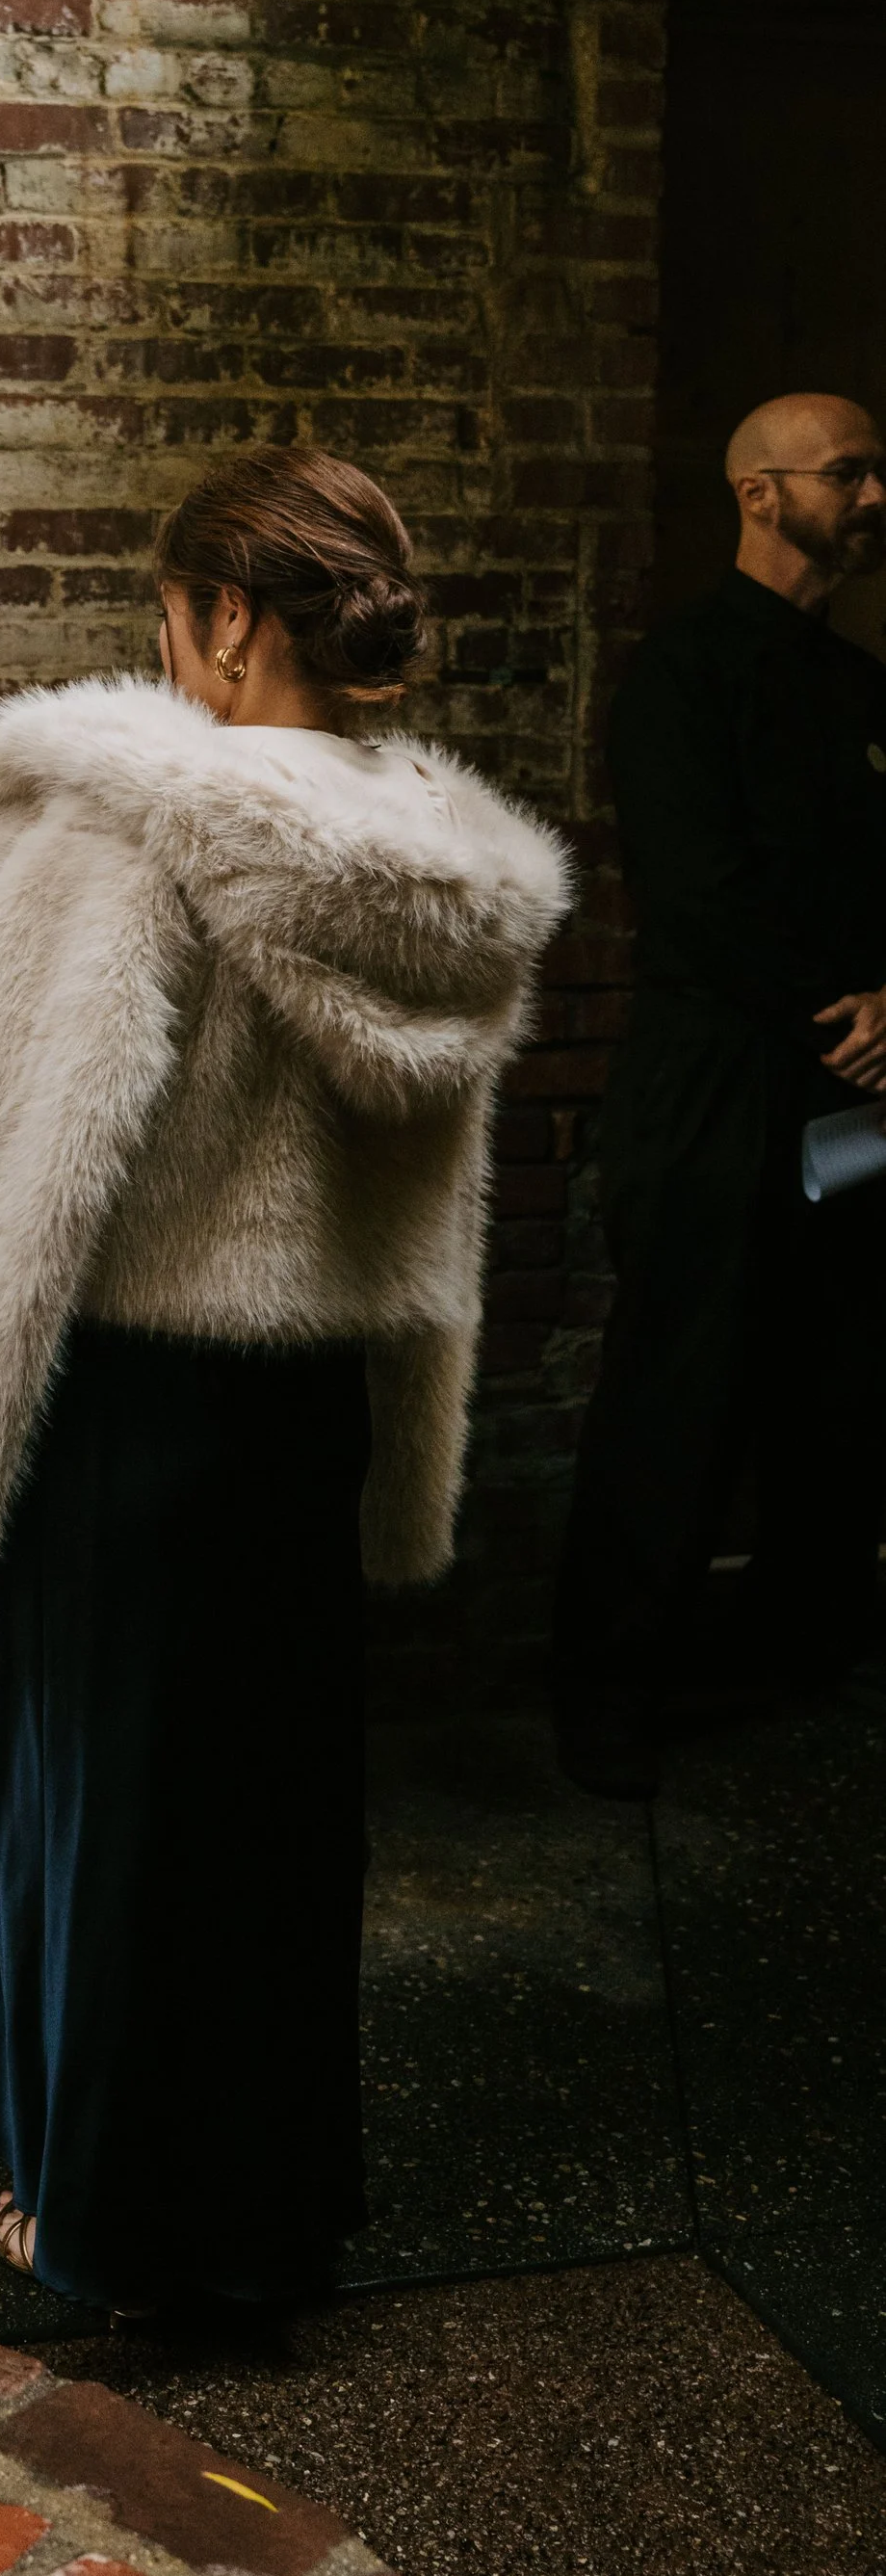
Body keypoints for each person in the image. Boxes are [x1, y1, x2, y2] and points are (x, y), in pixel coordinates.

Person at [0, 446, 565, 2330]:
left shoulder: (123, 831)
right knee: (269, 1823)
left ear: (219, 616)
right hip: (301, 1406)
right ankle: (261, 2221)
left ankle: (96, 2220)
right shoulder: (430, 854)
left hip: (124, 1399)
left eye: (166, 613)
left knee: (102, 1809)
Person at [552, 391, 886, 1800]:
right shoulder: (683, 673)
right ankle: (606, 1704)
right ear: (760, 492)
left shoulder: (860, 687)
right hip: (716, 1082)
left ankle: (796, 1659)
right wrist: (851, 1010)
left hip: (850, 1091)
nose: (874, 495)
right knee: (677, 1389)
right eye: (849, 472)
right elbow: (699, 897)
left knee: (834, 1377)